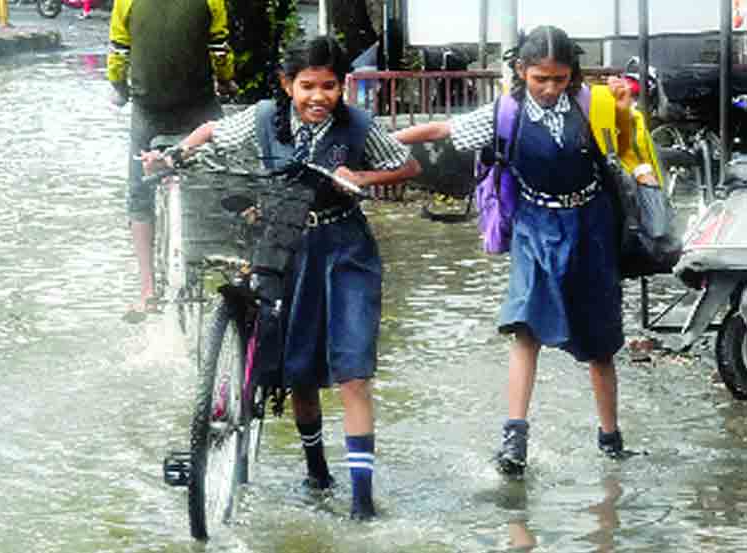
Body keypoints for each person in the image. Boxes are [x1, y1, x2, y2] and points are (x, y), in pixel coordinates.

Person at [143, 36, 421, 519]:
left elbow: (408, 164)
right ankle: (316, 471)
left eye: (330, 86)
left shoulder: (358, 125)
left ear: (342, 86)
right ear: (287, 84)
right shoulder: (262, 120)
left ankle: (361, 501)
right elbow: (211, 132)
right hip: (285, 248)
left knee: (354, 373)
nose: (319, 97)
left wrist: (362, 177)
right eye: (307, 86)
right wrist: (173, 155)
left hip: (346, 250)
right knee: (300, 374)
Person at [394, 26, 638, 477]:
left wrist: (623, 113)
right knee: (525, 324)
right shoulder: (504, 112)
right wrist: (391, 141)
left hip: (592, 227)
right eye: (539, 78)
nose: (548, 88)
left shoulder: (594, 104)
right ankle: (514, 438)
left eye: (559, 79)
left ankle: (611, 438)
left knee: (600, 339)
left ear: (573, 75)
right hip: (534, 226)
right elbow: (447, 129)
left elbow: (625, 148)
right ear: (521, 71)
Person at [107, 0, 236, 314]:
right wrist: (225, 80)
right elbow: (220, 50)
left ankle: (147, 291)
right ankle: (232, 273)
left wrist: (119, 88)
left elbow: (118, 53)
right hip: (199, 106)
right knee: (225, 177)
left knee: (139, 196)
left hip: (149, 111)